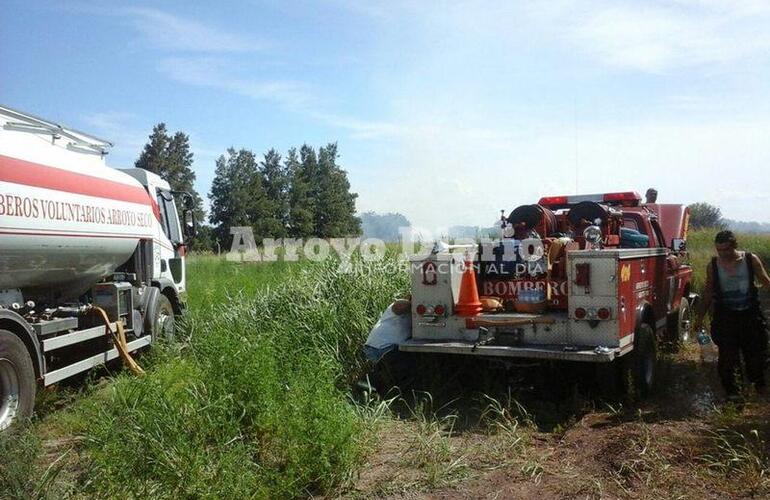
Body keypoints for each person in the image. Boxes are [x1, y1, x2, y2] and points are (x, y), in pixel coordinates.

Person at [695, 230, 770, 399]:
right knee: (728, 359)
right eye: (719, 250)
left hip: (750, 316)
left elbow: (766, 282)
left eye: (726, 249)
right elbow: (708, 292)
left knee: (757, 355)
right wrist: (699, 317)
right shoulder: (713, 266)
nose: (723, 254)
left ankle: (759, 386)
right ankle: (734, 395)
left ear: (734, 246)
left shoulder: (750, 260)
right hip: (726, 318)